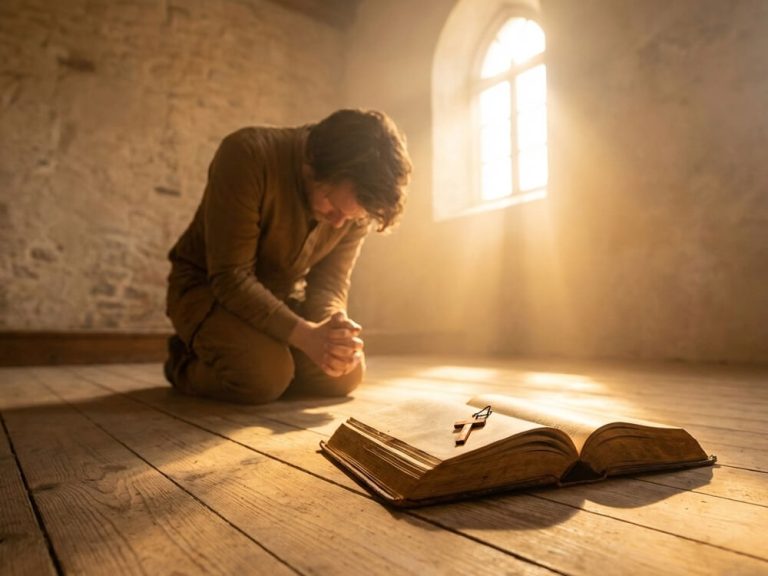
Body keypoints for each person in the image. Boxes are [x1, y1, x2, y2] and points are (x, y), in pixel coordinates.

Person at [163, 109, 412, 404]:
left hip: (277, 299)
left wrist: (335, 330)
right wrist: (307, 337)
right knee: (265, 377)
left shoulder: (353, 207)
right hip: (205, 291)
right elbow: (231, 277)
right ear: (312, 166)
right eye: (333, 207)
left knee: (344, 374)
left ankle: (260, 354)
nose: (337, 224)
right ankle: (184, 361)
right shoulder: (247, 155)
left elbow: (329, 284)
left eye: (351, 217)